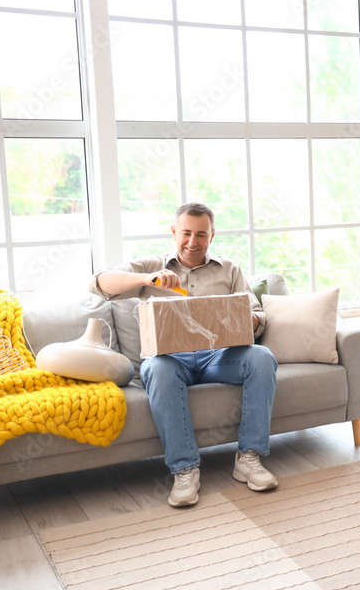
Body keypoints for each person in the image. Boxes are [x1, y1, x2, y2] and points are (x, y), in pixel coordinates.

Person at [91, 202, 279, 506]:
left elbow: (259, 318)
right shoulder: (152, 266)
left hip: (218, 358)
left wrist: (249, 320)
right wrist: (147, 280)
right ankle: (185, 469)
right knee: (157, 368)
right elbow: (99, 284)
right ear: (174, 232)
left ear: (212, 236)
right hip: (170, 360)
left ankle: (249, 457)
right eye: (187, 233)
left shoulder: (229, 270)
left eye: (201, 235)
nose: (193, 242)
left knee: (261, 358)